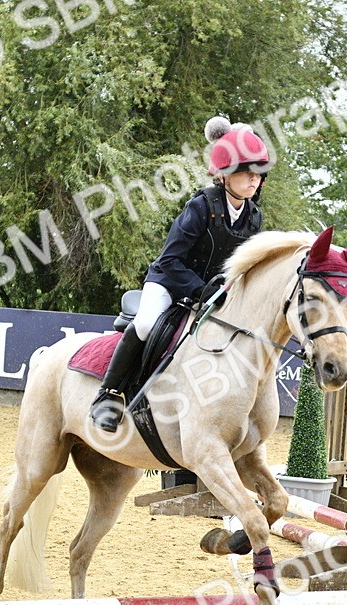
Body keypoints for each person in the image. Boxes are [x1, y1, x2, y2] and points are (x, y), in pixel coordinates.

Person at [89, 117, 271, 432]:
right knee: (146, 323)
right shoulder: (200, 206)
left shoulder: (254, 217)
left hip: (212, 293)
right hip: (169, 282)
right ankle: (108, 394)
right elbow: (170, 259)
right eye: (245, 172)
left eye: (258, 174)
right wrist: (201, 290)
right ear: (224, 174)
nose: (253, 180)